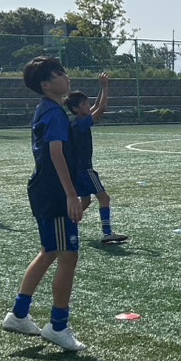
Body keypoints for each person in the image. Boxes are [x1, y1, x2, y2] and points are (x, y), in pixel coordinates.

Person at [4, 56, 87, 352]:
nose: (67, 77)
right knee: (68, 255)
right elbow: (56, 154)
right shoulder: (53, 113)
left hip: (44, 189)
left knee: (49, 251)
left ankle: (19, 314)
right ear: (46, 85)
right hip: (54, 193)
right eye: (59, 74)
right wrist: (70, 194)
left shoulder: (48, 109)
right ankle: (58, 326)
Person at [67, 74, 128, 245]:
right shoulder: (81, 124)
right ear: (76, 109)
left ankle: (67, 223)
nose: (88, 105)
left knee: (86, 201)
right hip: (85, 169)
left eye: (87, 103)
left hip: (77, 170)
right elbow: (101, 108)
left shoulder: (76, 122)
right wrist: (106, 87)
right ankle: (107, 233)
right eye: (84, 104)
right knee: (104, 198)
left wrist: (102, 87)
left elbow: (95, 107)